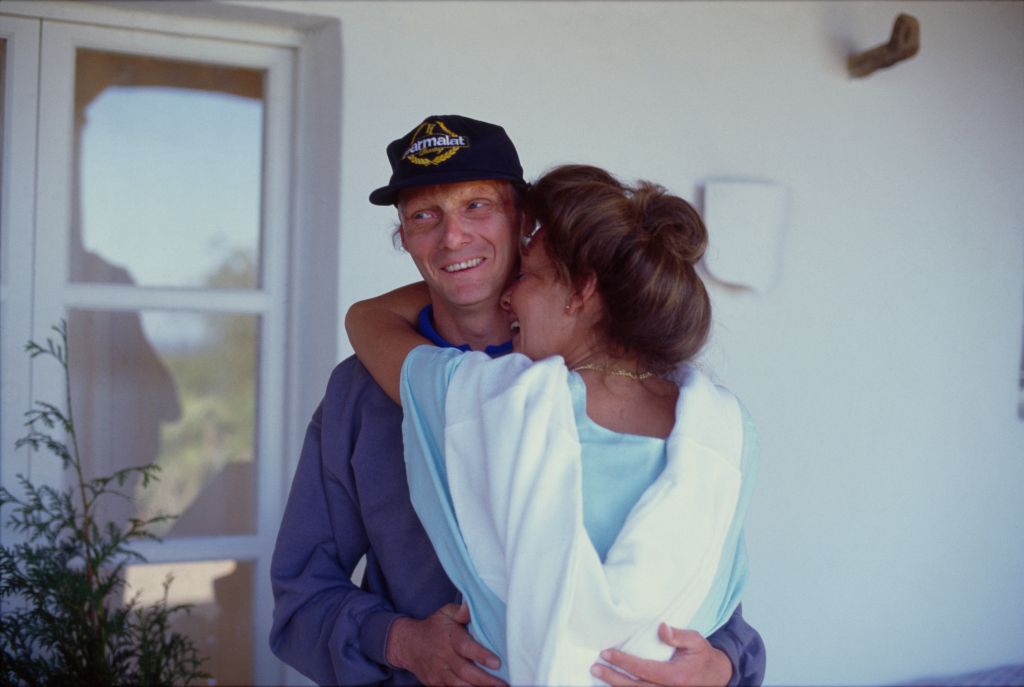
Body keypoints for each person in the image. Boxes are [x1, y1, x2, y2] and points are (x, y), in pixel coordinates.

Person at [270, 114, 766, 686]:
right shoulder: (359, 391)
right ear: (404, 237)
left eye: (477, 205)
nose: (452, 237)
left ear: (524, 222)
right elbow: (301, 596)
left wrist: (723, 666)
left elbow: (695, 588)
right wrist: (401, 642)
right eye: (423, 216)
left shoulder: (640, 390)